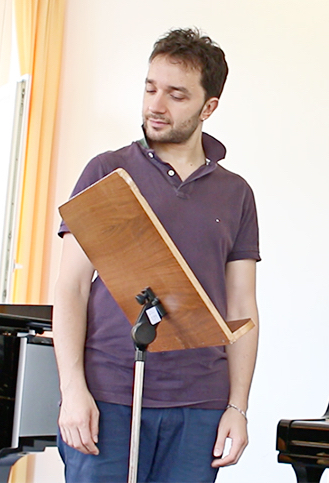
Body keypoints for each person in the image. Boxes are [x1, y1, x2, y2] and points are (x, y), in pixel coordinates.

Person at [53, 28, 260, 483]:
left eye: (176, 95)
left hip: (200, 405)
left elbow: (242, 308)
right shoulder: (107, 171)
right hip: (107, 396)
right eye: (150, 88)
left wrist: (237, 407)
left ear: (209, 107)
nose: (155, 105)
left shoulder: (236, 194)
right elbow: (70, 289)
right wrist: (72, 390)